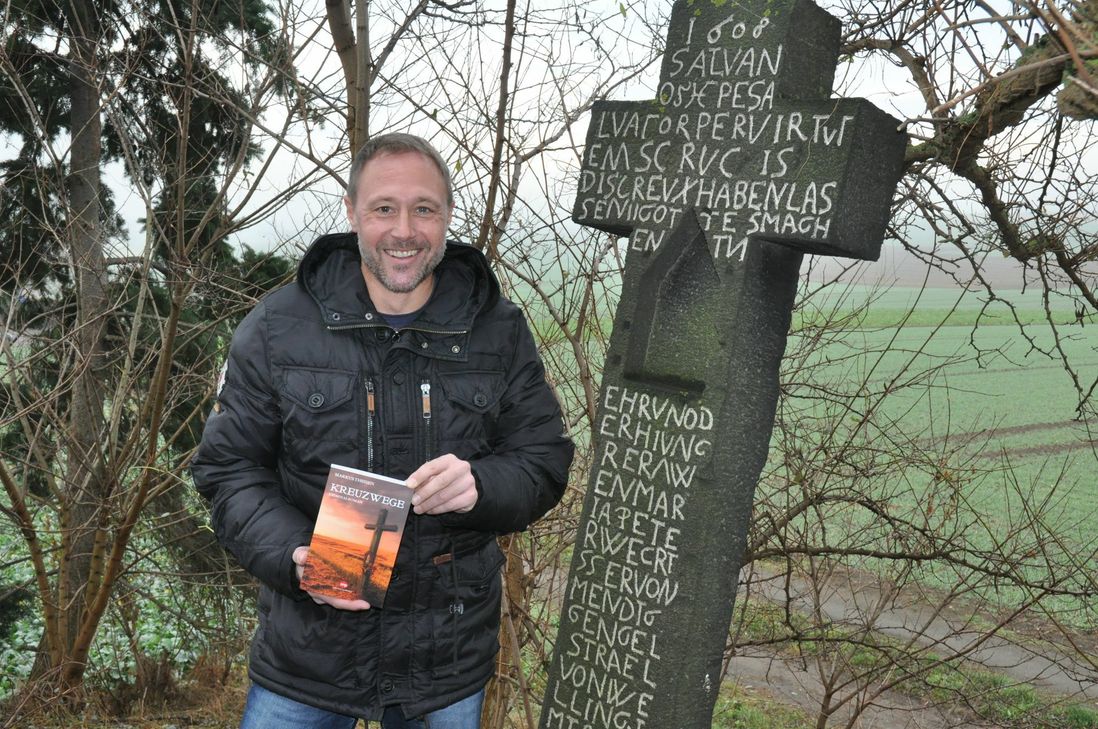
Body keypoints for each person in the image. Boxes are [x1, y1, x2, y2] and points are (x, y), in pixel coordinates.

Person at [190, 132, 574, 728]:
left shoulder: (497, 329)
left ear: (446, 218)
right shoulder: (276, 329)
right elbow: (230, 469)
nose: (404, 231)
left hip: (445, 658)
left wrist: (482, 485)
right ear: (352, 214)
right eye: (384, 209)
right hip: (308, 654)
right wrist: (297, 557)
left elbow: (543, 458)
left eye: (424, 209)